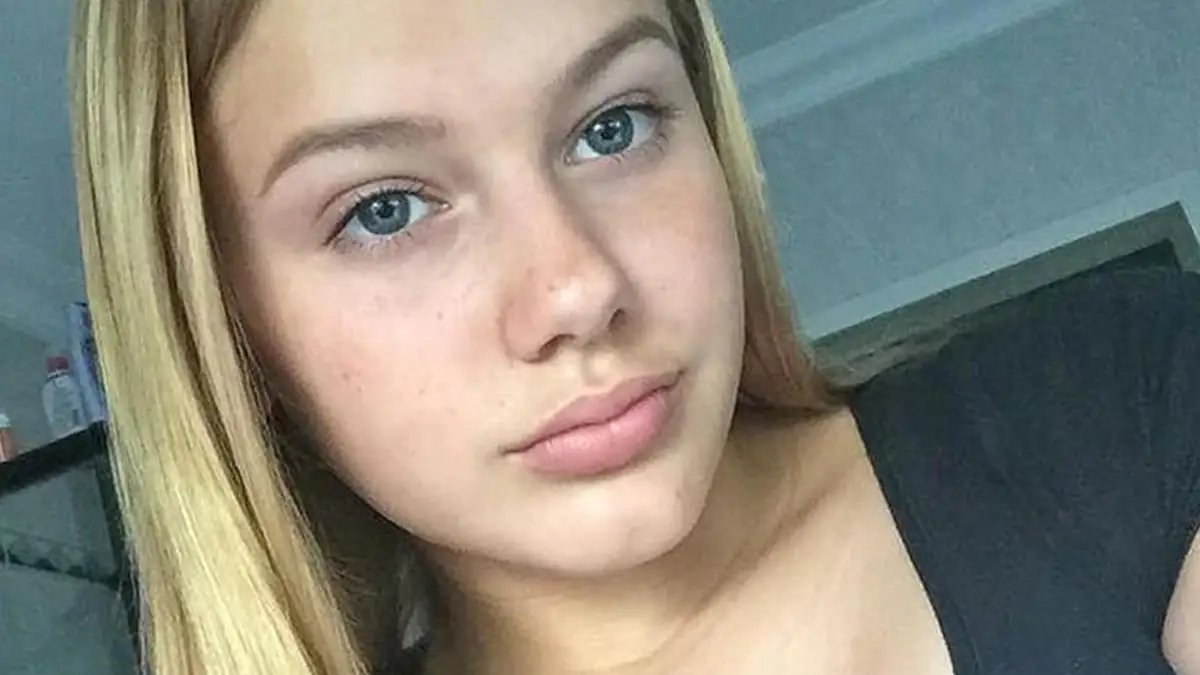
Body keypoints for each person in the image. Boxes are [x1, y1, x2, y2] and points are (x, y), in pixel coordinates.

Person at [68, 0, 1199, 673]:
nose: (577, 289)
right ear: (233, 333)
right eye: (386, 210)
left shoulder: (1117, 405)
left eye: (612, 126)